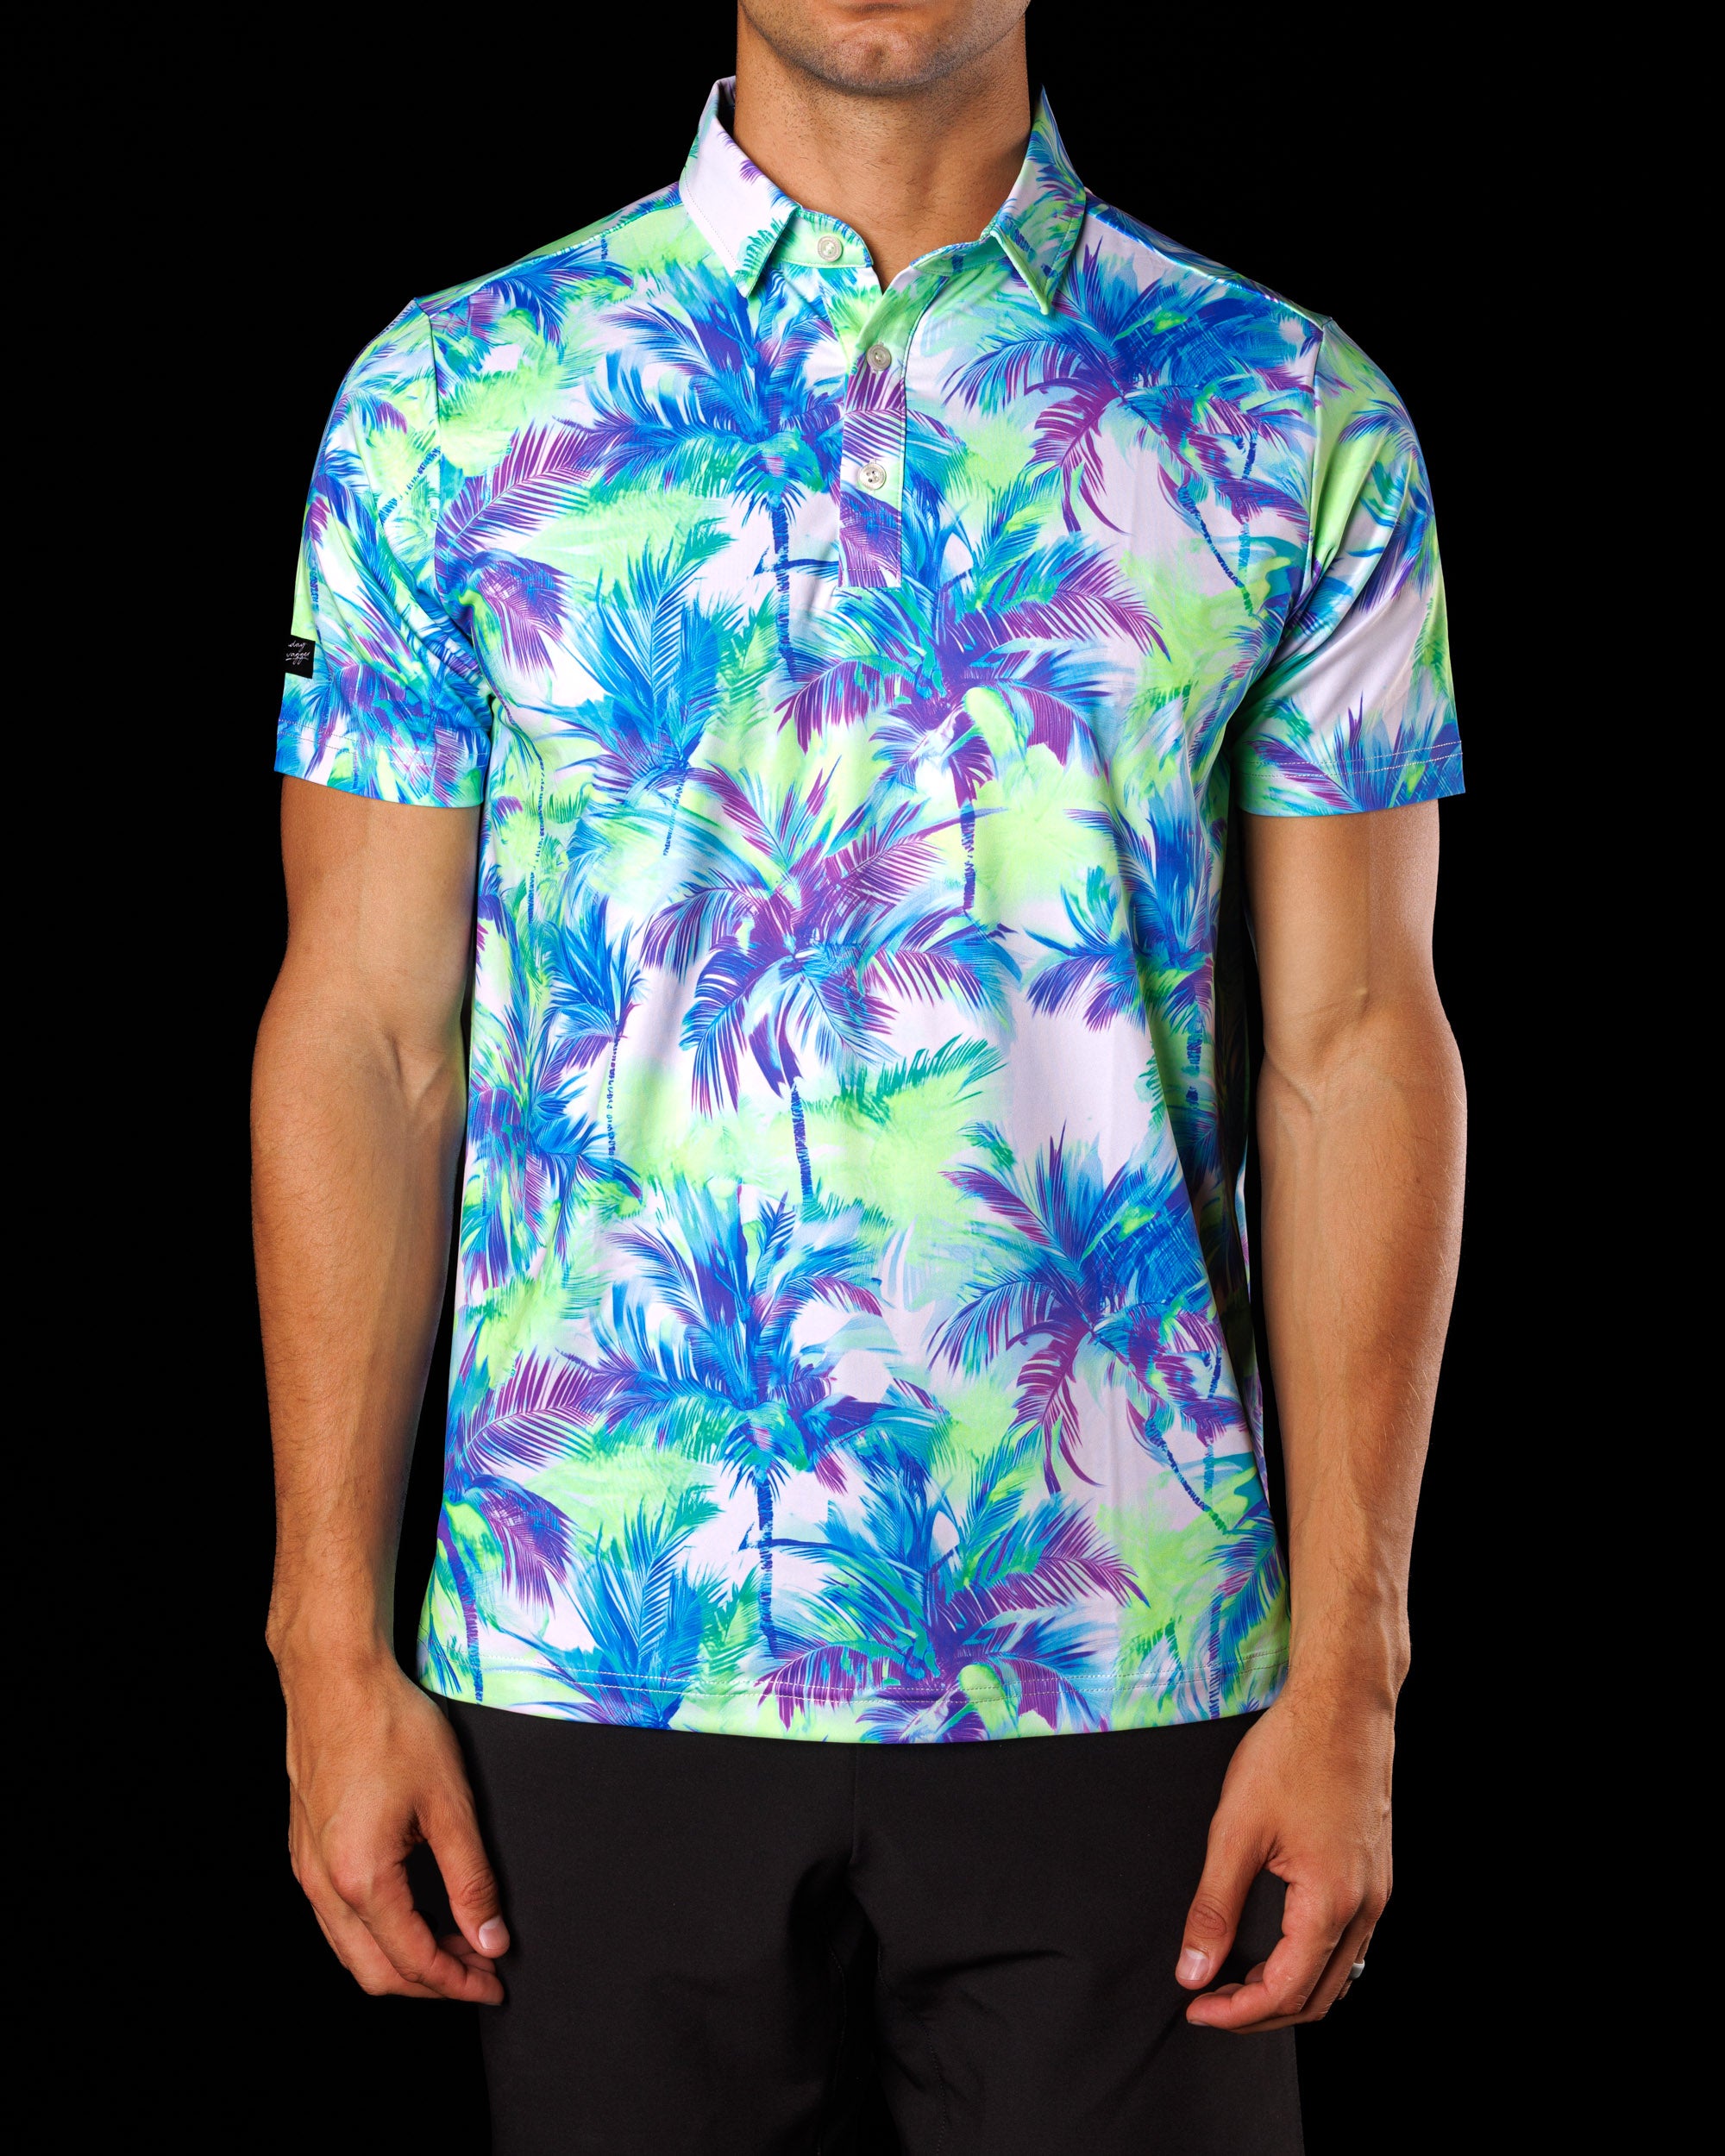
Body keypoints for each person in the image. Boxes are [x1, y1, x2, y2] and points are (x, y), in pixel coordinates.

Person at [254, 3, 1465, 2149]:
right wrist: (324, 1641)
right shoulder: (456, 393)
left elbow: (1356, 1043)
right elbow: (367, 1034)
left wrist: (1353, 1664)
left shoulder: (1280, 408)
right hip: (590, 1638)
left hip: (1131, 1659)